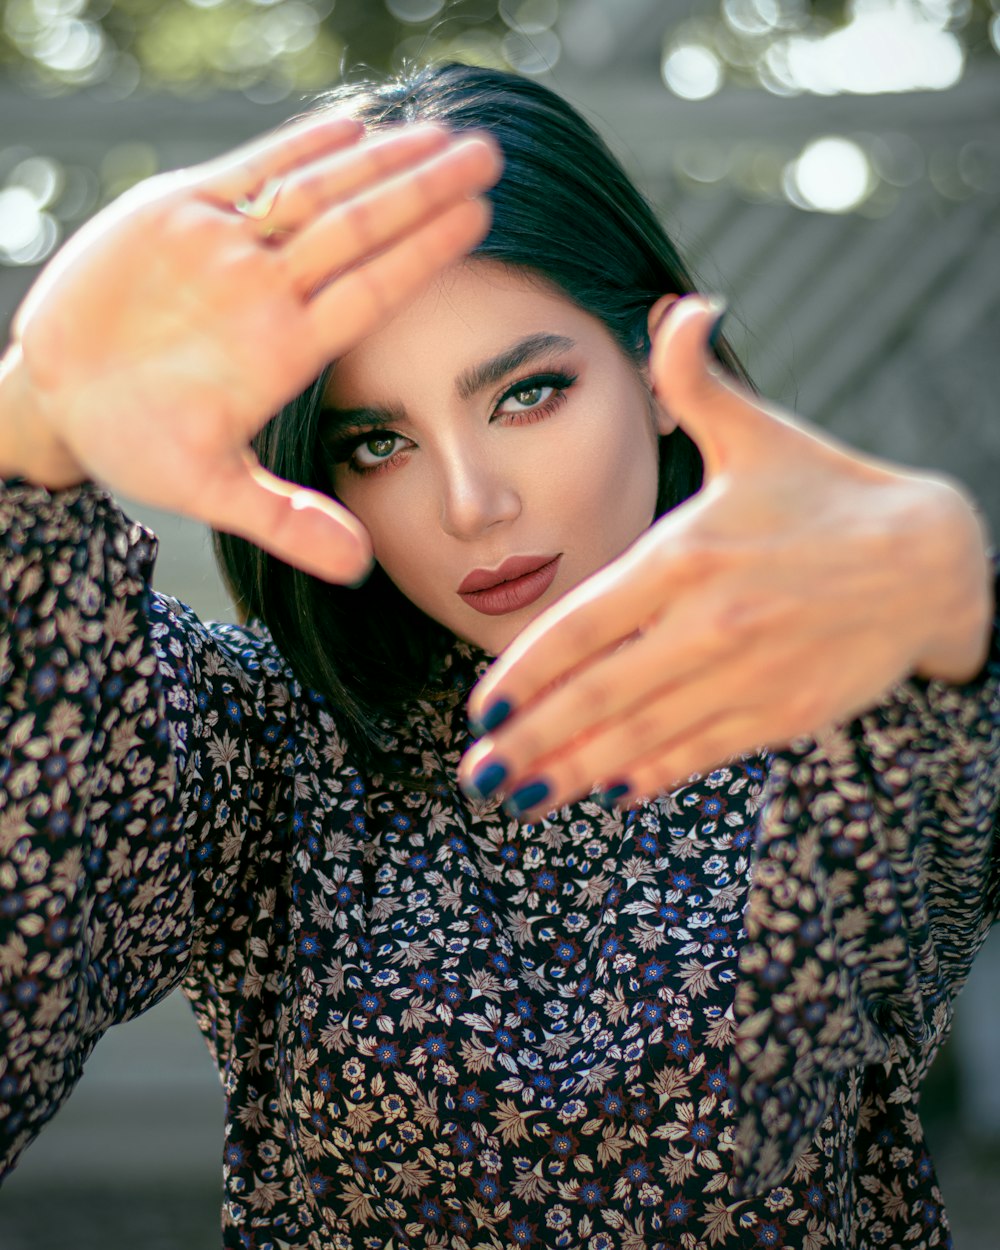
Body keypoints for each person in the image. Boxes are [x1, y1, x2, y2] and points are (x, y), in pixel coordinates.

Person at [0, 59, 996, 1250]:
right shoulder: (265, 745)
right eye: (379, 440)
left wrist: (955, 629)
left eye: (525, 394)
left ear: (656, 363)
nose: (471, 504)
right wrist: (32, 423)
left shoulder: (843, 706)